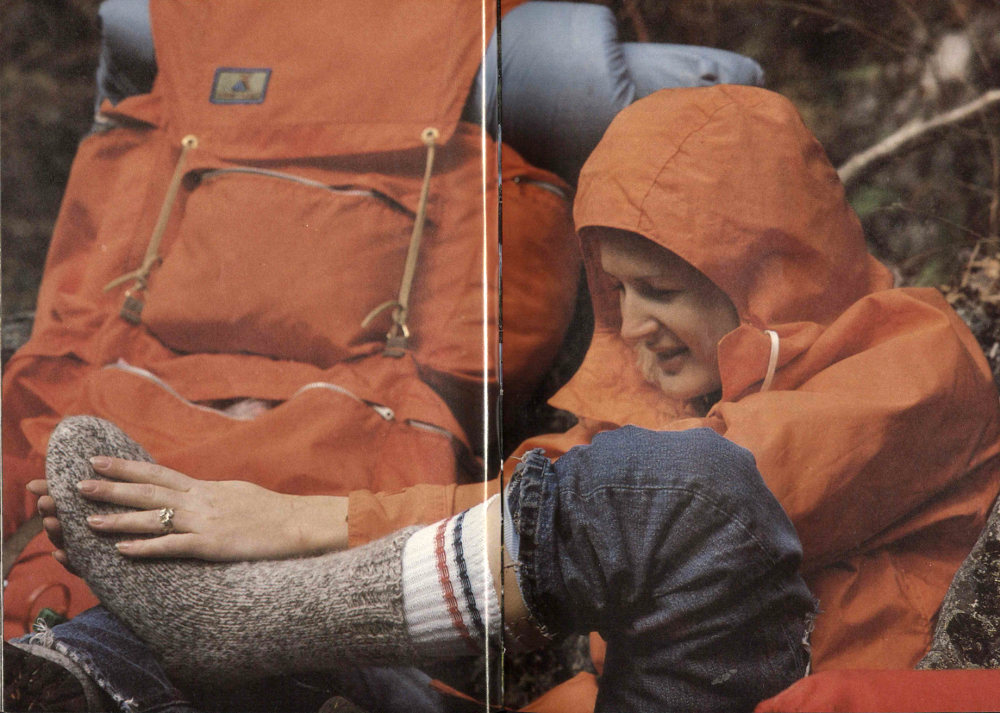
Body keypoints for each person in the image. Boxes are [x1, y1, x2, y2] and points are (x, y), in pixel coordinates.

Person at [12, 84, 1000, 711]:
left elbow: (701, 500)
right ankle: (80, 669)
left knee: (678, 488)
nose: (633, 322)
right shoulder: (657, 411)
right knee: (282, 650)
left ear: (767, 268)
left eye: (661, 288)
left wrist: (297, 523)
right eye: (615, 291)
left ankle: (239, 614)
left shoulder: (917, 357)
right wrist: (216, 536)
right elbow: (536, 528)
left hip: (789, 689)